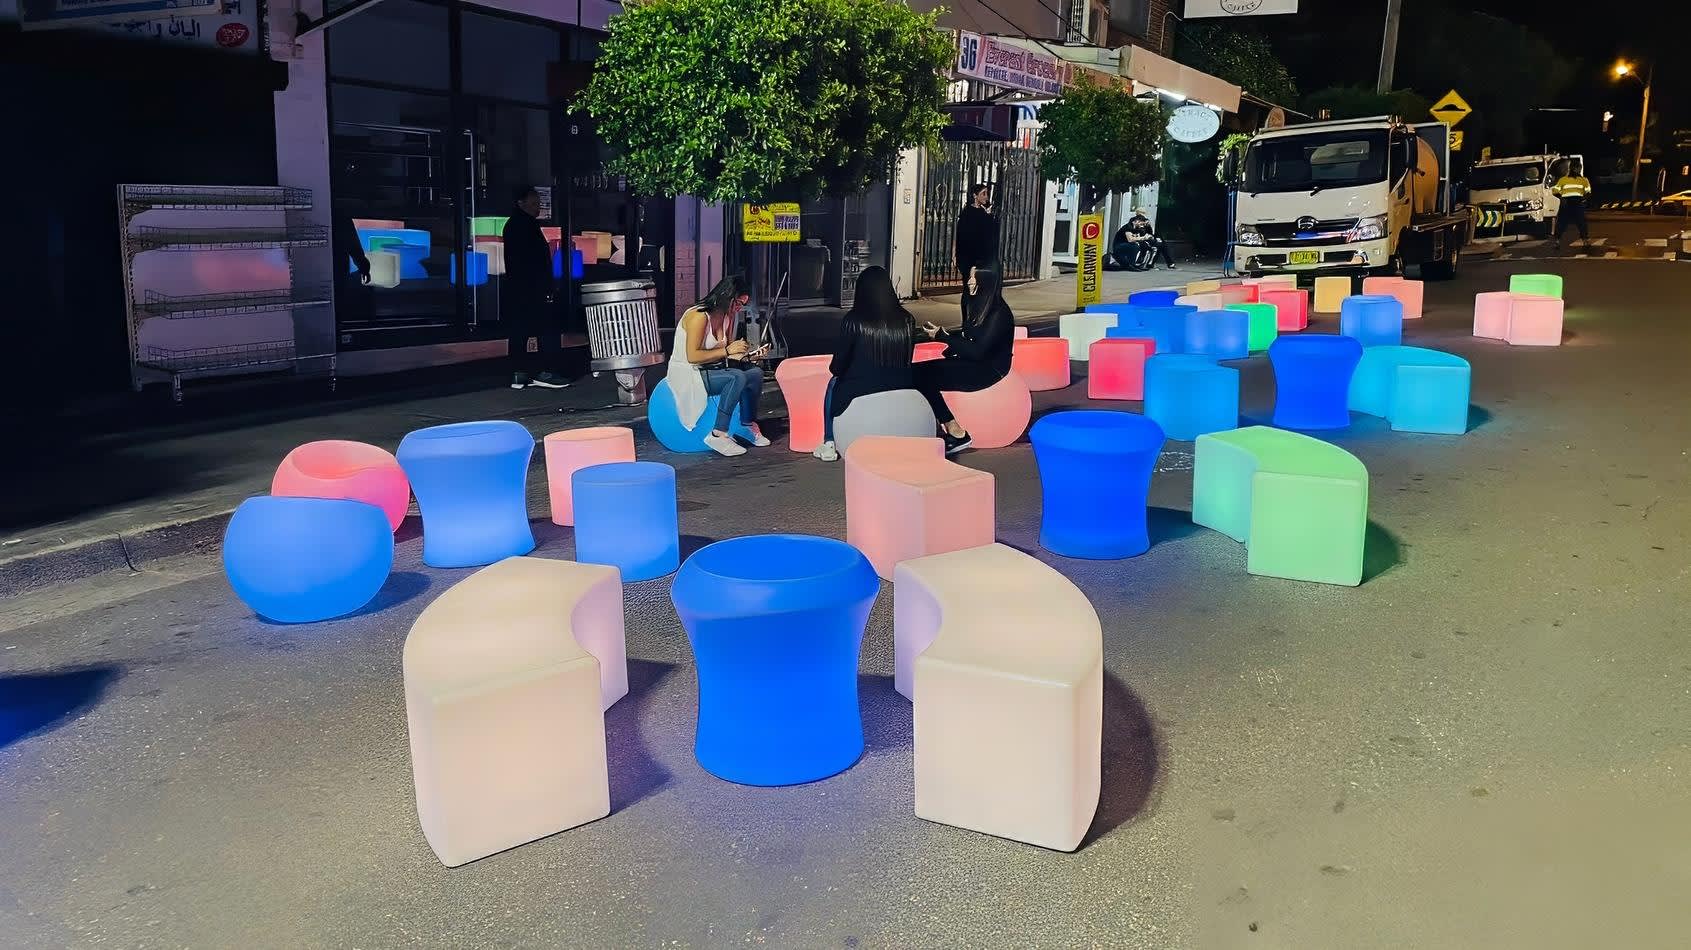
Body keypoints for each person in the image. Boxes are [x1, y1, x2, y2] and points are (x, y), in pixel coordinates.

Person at [811, 266, 915, 462]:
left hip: (860, 389)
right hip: (902, 386)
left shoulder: (853, 320)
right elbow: (908, 358)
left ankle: (829, 441)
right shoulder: (908, 319)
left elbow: (837, 367)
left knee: (833, 383)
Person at [665, 275, 771, 458]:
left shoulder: (727, 317)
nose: (739, 308)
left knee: (755, 374)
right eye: (737, 303)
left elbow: (727, 354)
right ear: (727, 296)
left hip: (712, 368)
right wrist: (728, 350)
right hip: (689, 372)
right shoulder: (698, 316)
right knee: (736, 377)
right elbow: (693, 356)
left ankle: (746, 425)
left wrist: (750, 356)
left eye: (742, 304)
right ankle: (718, 434)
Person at [911, 266, 1013, 455]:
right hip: (972, 362)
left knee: (922, 376)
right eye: (970, 276)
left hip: (988, 370)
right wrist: (946, 336)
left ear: (986, 282)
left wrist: (944, 337)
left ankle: (956, 431)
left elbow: (978, 351)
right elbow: (970, 337)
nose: (969, 281)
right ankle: (939, 428)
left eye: (974, 277)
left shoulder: (999, 313)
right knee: (914, 371)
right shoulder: (976, 305)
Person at [503, 185, 570, 390]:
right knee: (547, 329)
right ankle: (546, 371)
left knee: (519, 331)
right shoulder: (527, 226)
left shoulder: (513, 225)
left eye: (538, 203)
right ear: (521, 203)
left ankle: (519, 373)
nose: (537, 207)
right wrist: (547, 285)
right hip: (534, 287)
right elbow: (537, 261)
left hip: (518, 287)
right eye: (533, 203)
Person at [953, 183, 999, 320]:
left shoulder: (985, 214)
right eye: (983, 193)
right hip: (968, 257)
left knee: (980, 289)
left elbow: (991, 235)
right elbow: (959, 235)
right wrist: (955, 254)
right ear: (975, 195)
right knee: (969, 288)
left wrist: (989, 216)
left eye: (987, 194)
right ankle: (966, 318)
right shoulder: (967, 213)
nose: (986, 197)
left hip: (982, 258)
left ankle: (976, 317)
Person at [1551, 161, 1592, 251]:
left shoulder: (1563, 180)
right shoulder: (1584, 180)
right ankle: (1585, 241)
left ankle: (1557, 242)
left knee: (1562, 223)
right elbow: (1588, 192)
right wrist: (1583, 199)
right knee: (1581, 223)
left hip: (1566, 203)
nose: (1580, 170)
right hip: (1576, 203)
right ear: (1574, 169)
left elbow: (1554, 191)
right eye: (1579, 168)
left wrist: (1561, 198)